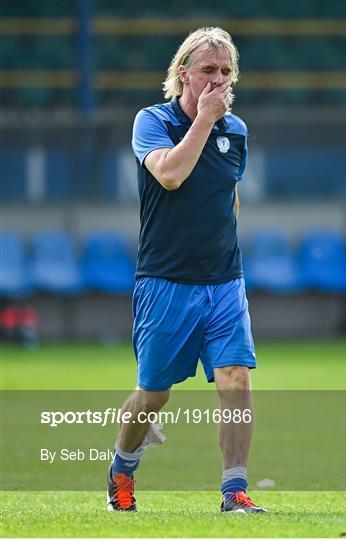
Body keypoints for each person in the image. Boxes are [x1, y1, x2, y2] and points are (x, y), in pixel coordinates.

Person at [107, 27, 266, 514]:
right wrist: (204, 119)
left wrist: (222, 250)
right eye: (207, 71)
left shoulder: (235, 130)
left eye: (225, 72)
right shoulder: (151, 121)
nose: (218, 81)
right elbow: (172, 175)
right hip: (165, 280)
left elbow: (228, 197)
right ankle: (121, 471)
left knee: (236, 378)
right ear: (183, 75)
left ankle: (233, 492)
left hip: (223, 280)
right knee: (153, 395)